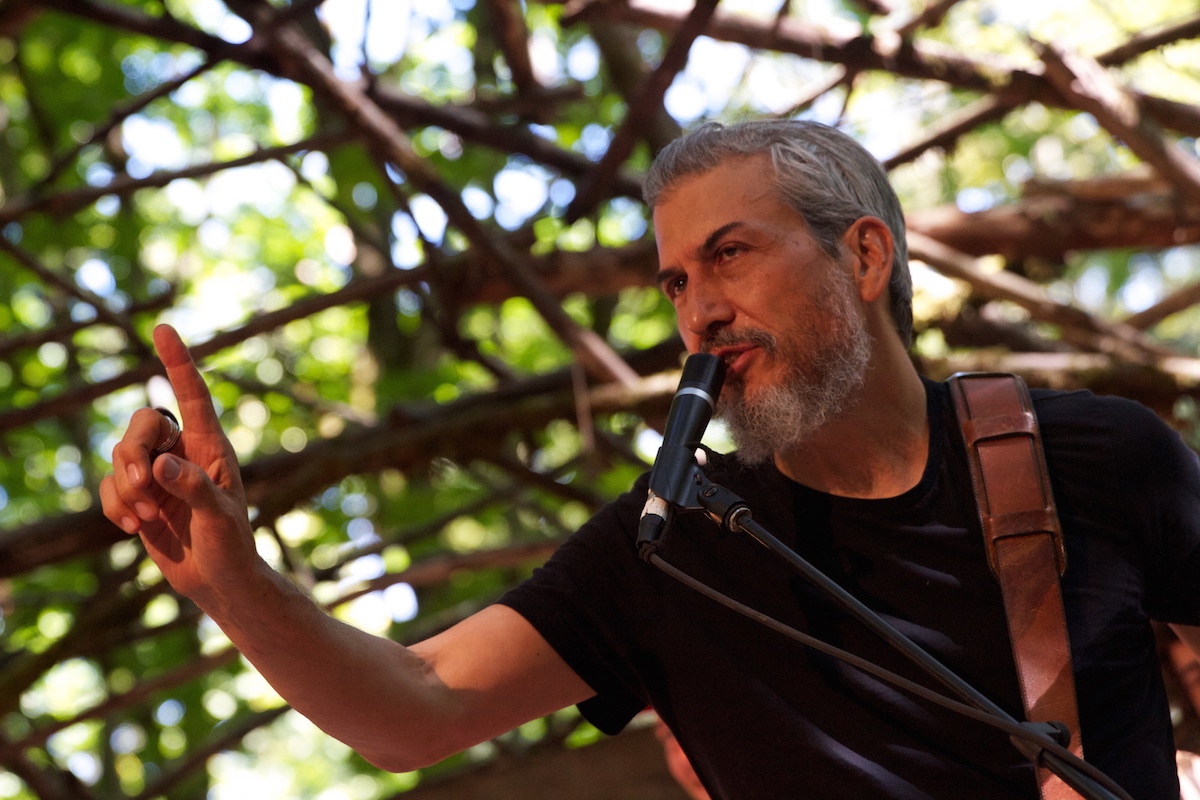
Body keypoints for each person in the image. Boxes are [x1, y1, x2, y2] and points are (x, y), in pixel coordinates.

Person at [100, 120, 1200, 799]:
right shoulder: (669, 539)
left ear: (864, 255)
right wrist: (233, 581)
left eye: (730, 254)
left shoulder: (1095, 455)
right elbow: (415, 706)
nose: (698, 312)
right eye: (677, 281)